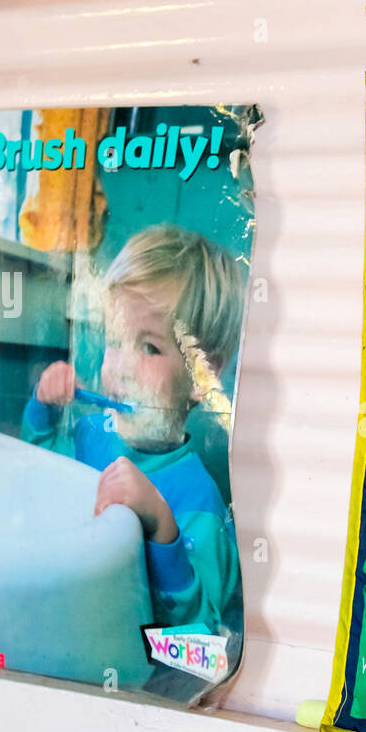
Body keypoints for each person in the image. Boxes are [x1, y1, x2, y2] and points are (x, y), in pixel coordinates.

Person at [21, 225, 243, 634]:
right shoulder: (89, 433)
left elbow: (202, 639)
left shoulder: (200, 505)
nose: (119, 366)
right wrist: (43, 410)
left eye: (149, 347)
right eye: (115, 340)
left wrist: (162, 527)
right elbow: (37, 478)